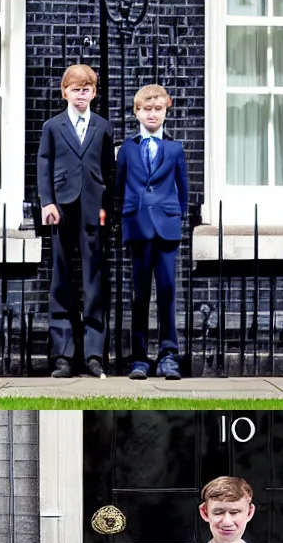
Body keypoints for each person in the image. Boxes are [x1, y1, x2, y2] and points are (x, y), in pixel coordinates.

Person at [37, 63, 116, 378]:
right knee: (62, 278)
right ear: (64, 92)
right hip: (62, 208)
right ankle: (64, 355)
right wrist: (47, 202)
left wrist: (105, 209)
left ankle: (94, 353)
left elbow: (109, 172)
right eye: (75, 89)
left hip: (93, 209)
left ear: (94, 93)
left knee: (94, 279)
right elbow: (44, 163)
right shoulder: (52, 127)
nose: (81, 95)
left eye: (86, 90)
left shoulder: (103, 127)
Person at [117, 83, 190, 380]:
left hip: (166, 229)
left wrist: (175, 215)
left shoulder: (175, 149)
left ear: (165, 112)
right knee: (140, 295)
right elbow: (119, 188)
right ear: (137, 111)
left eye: (158, 110)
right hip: (137, 227)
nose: (152, 115)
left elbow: (183, 191)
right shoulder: (128, 149)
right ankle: (139, 358)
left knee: (168, 292)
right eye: (146, 109)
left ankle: (168, 354)